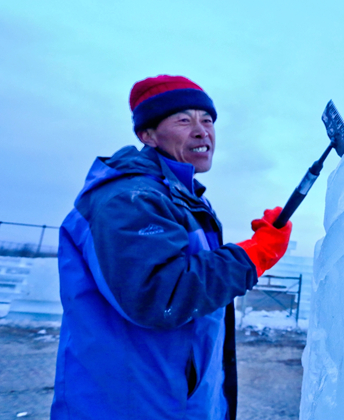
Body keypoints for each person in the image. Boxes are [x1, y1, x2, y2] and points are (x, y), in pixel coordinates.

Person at [50, 75, 291, 420]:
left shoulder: (180, 198)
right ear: (147, 135)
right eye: (183, 120)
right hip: (131, 407)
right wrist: (255, 253)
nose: (201, 131)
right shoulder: (129, 199)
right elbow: (160, 296)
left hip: (179, 402)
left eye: (207, 120)